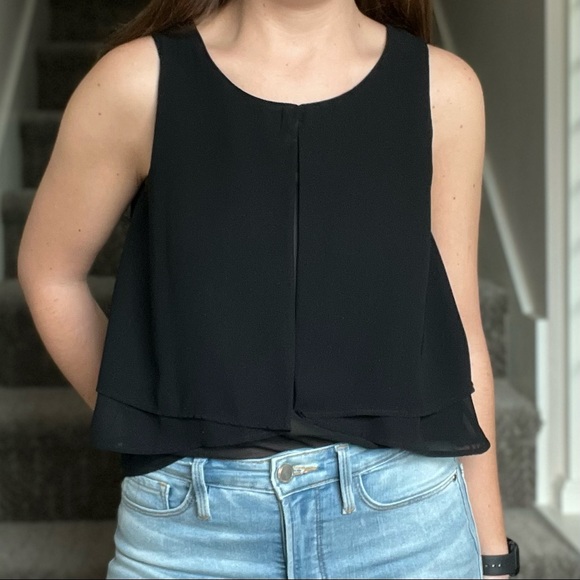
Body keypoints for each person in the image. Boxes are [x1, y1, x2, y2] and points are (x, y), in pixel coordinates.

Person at [17, 0, 520, 578]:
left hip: (407, 525)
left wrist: (492, 556)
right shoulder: (137, 82)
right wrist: (152, 414)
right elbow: (50, 273)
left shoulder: (443, 89)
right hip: (189, 537)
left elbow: (461, 329)